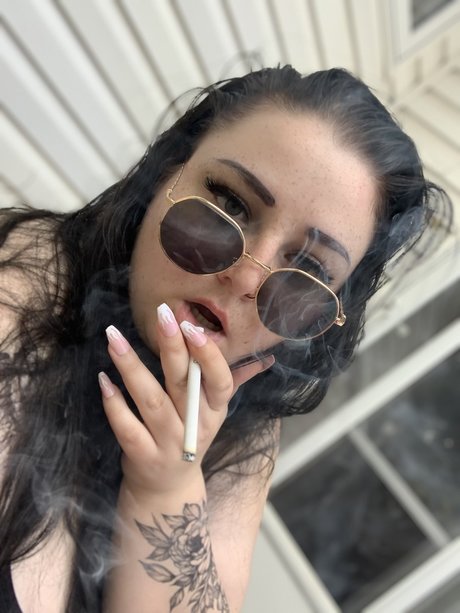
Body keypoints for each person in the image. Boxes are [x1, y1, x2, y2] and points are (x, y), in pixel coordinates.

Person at [0, 65, 452, 613]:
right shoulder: (22, 278)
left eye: (308, 270)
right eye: (231, 203)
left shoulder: (245, 432)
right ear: (165, 174)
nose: (245, 278)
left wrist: (166, 487)